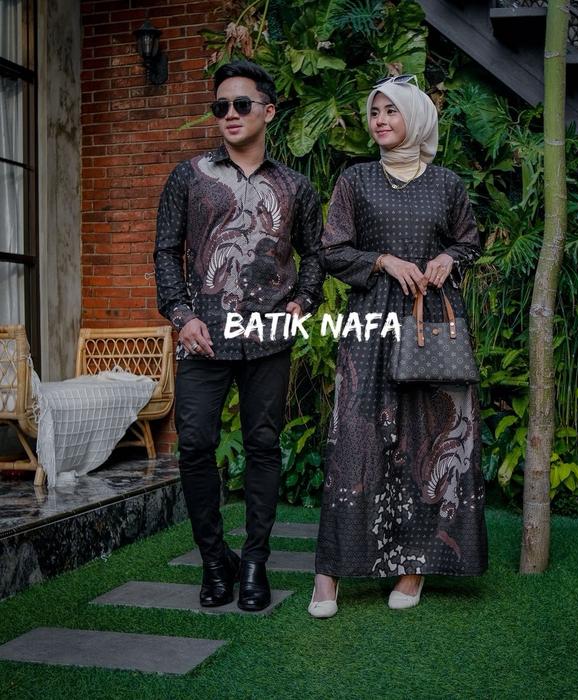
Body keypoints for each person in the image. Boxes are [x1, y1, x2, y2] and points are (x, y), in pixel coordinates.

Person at [309, 75, 488, 618]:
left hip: (430, 325)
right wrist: (382, 261)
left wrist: (448, 258)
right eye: (375, 111)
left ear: (417, 118)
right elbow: (331, 250)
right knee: (355, 439)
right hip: (371, 324)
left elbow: (469, 241)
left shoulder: (447, 184)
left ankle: (413, 569)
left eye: (392, 110)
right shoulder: (356, 180)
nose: (380, 120)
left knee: (426, 438)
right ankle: (329, 573)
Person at [154, 60, 324, 611]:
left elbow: (316, 255)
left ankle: (253, 563)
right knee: (195, 444)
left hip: (268, 336)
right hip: (202, 336)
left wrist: (303, 302)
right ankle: (213, 561)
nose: (229, 113)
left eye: (241, 104)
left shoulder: (295, 186)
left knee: (262, 446)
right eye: (220, 106)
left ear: (267, 111)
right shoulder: (188, 176)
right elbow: (166, 252)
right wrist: (182, 316)